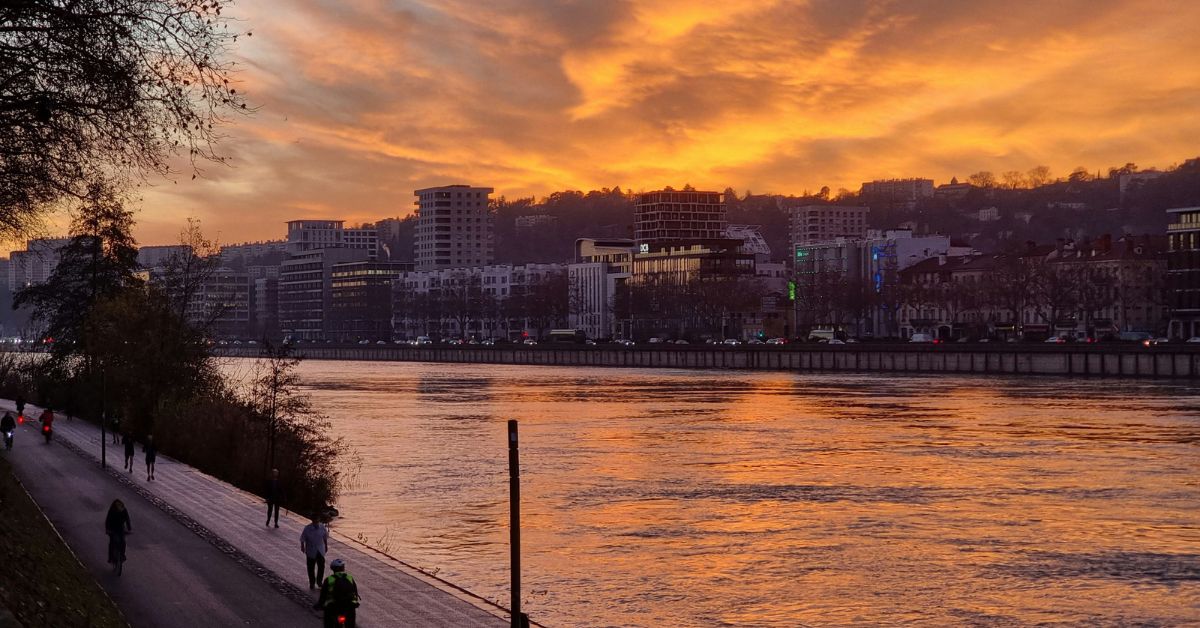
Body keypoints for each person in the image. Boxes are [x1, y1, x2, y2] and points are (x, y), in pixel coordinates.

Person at [313, 558, 359, 628]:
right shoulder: (350, 577)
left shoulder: (329, 579)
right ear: (343, 568)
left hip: (333, 606)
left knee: (328, 622)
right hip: (349, 605)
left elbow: (323, 595)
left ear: (333, 569)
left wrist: (319, 604)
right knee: (351, 623)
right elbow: (355, 592)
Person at [300, 515, 329, 589]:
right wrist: (302, 546)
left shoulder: (322, 527)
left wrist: (326, 546)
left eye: (317, 520)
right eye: (315, 520)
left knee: (321, 566)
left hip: (320, 549)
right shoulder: (307, 528)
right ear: (312, 520)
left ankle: (319, 582)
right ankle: (312, 583)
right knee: (310, 567)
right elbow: (303, 538)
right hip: (311, 549)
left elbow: (325, 537)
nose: (316, 522)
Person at [105, 499, 132, 572]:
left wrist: (129, 528)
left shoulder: (124, 510)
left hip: (121, 529)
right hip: (112, 529)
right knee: (112, 542)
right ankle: (111, 558)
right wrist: (107, 529)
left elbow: (127, 519)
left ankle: (122, 555)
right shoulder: (112, 511)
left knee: (123, 542)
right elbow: (108, 520)